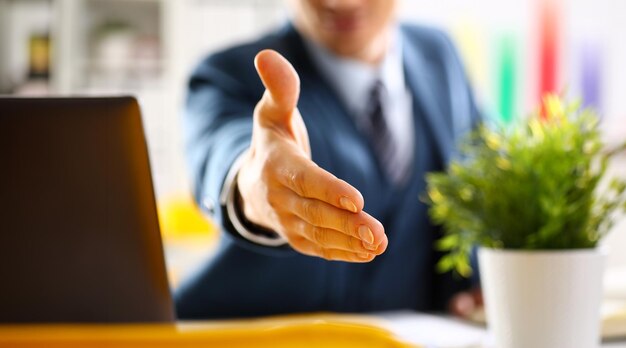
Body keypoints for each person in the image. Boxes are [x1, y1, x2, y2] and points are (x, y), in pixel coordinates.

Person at [176, 0, 482, 319]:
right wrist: (254, 187)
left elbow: (483, 174)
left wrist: (484, 284)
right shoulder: (229, 74)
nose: (342, 2)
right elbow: (223, 153)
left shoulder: (441, 55)